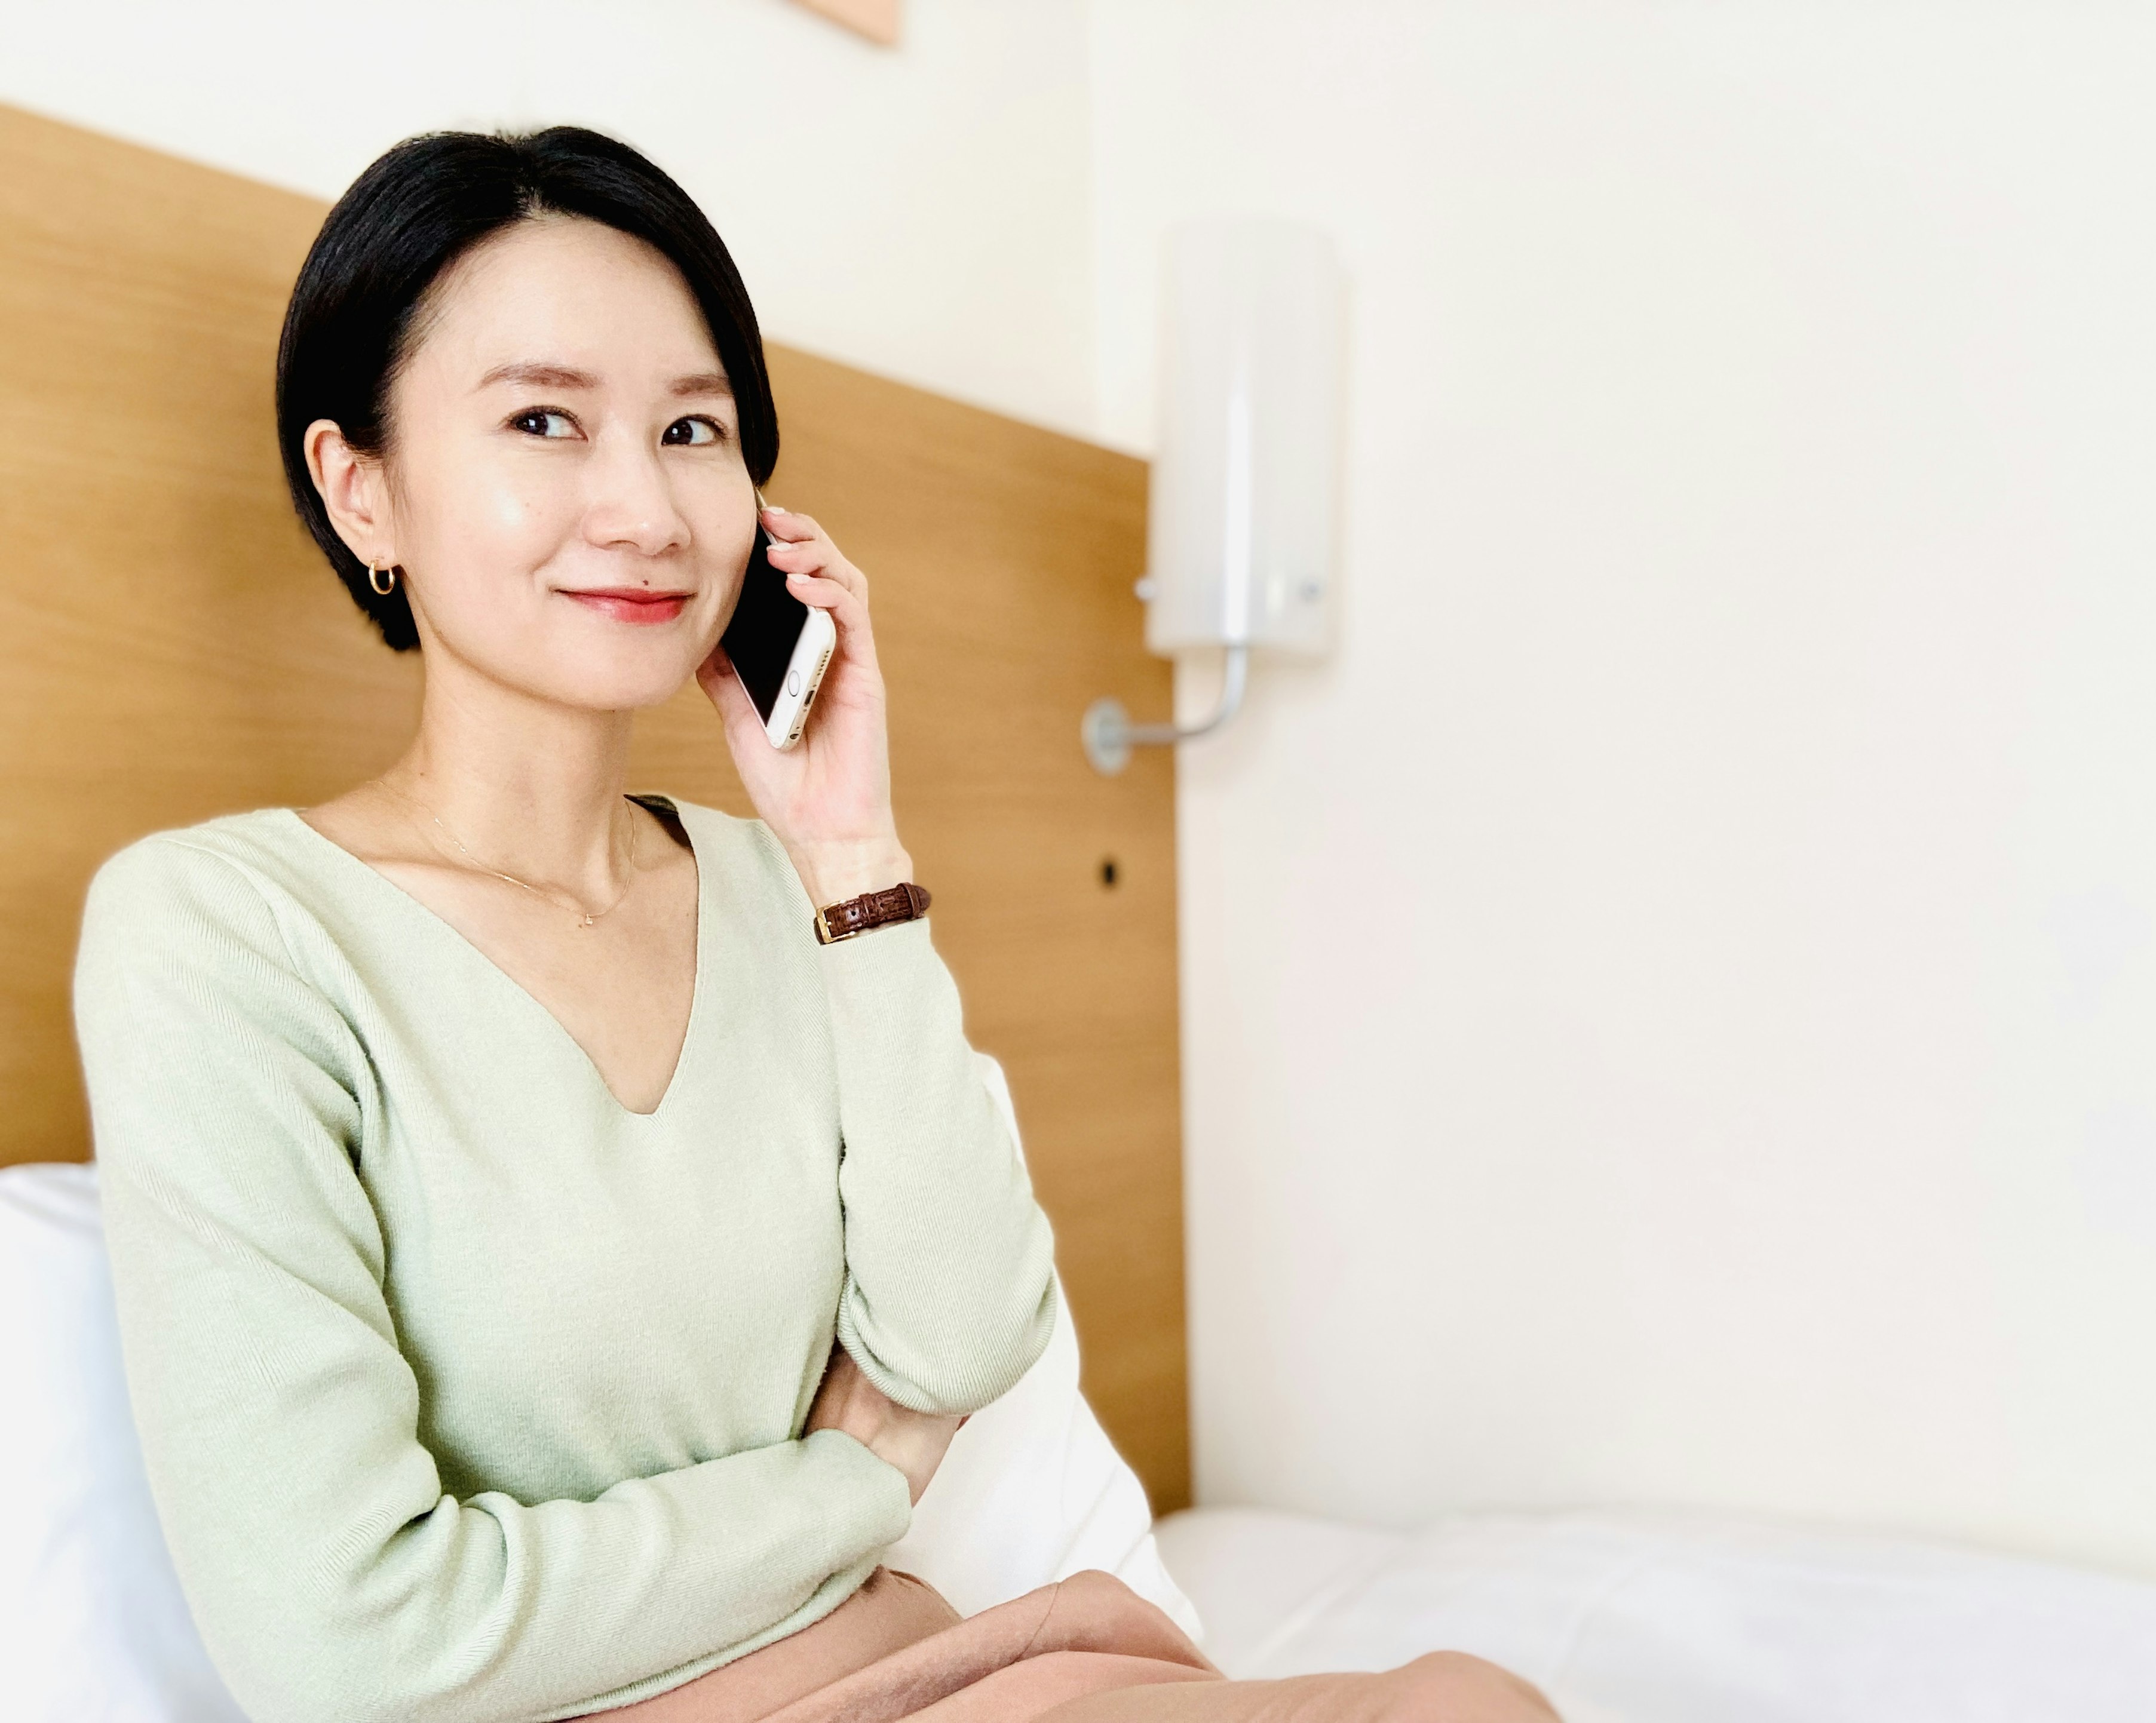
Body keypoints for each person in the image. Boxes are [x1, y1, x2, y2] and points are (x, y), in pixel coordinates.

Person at [73, 126, 1557, 1723]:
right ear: (360, 488)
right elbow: (343, 1644)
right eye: (544, 419)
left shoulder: (787, 893)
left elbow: (964, 1334)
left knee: (1467, 1699)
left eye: (693, 428)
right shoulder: (221, 933)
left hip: (932, 1663)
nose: (643, 506)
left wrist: (852, 846)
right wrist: (849, 1492)